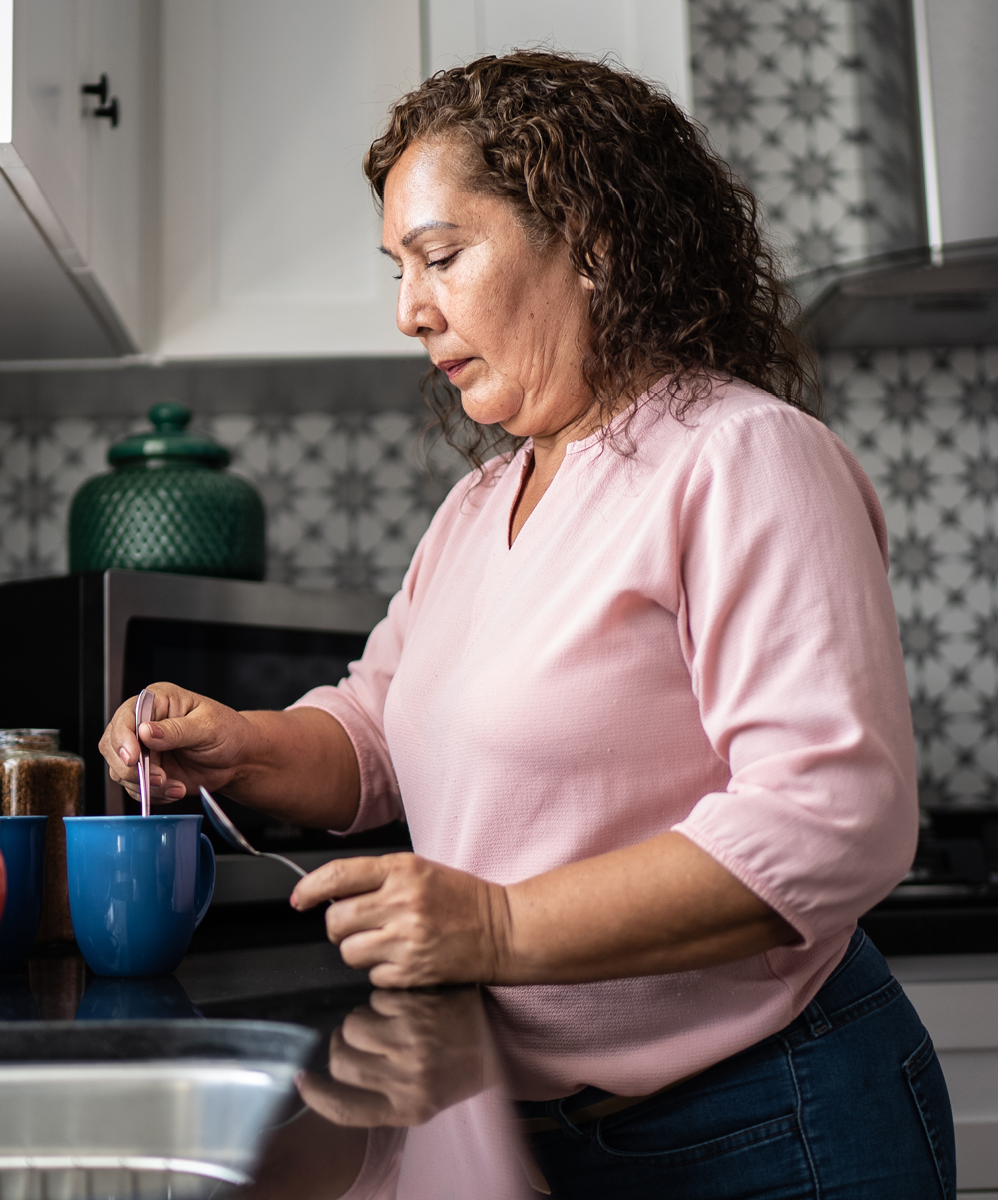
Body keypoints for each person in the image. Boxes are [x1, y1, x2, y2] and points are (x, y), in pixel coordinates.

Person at [101, 52, 955, 1198]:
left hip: (770, 1120)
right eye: (399, 269)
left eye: (442, 257)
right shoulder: (476, 509)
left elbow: (833, 818)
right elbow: (377, 734)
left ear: (593, 242)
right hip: (537, 1121)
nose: (410, 311)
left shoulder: (741, 456)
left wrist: (496, 928)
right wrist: (244, 745)